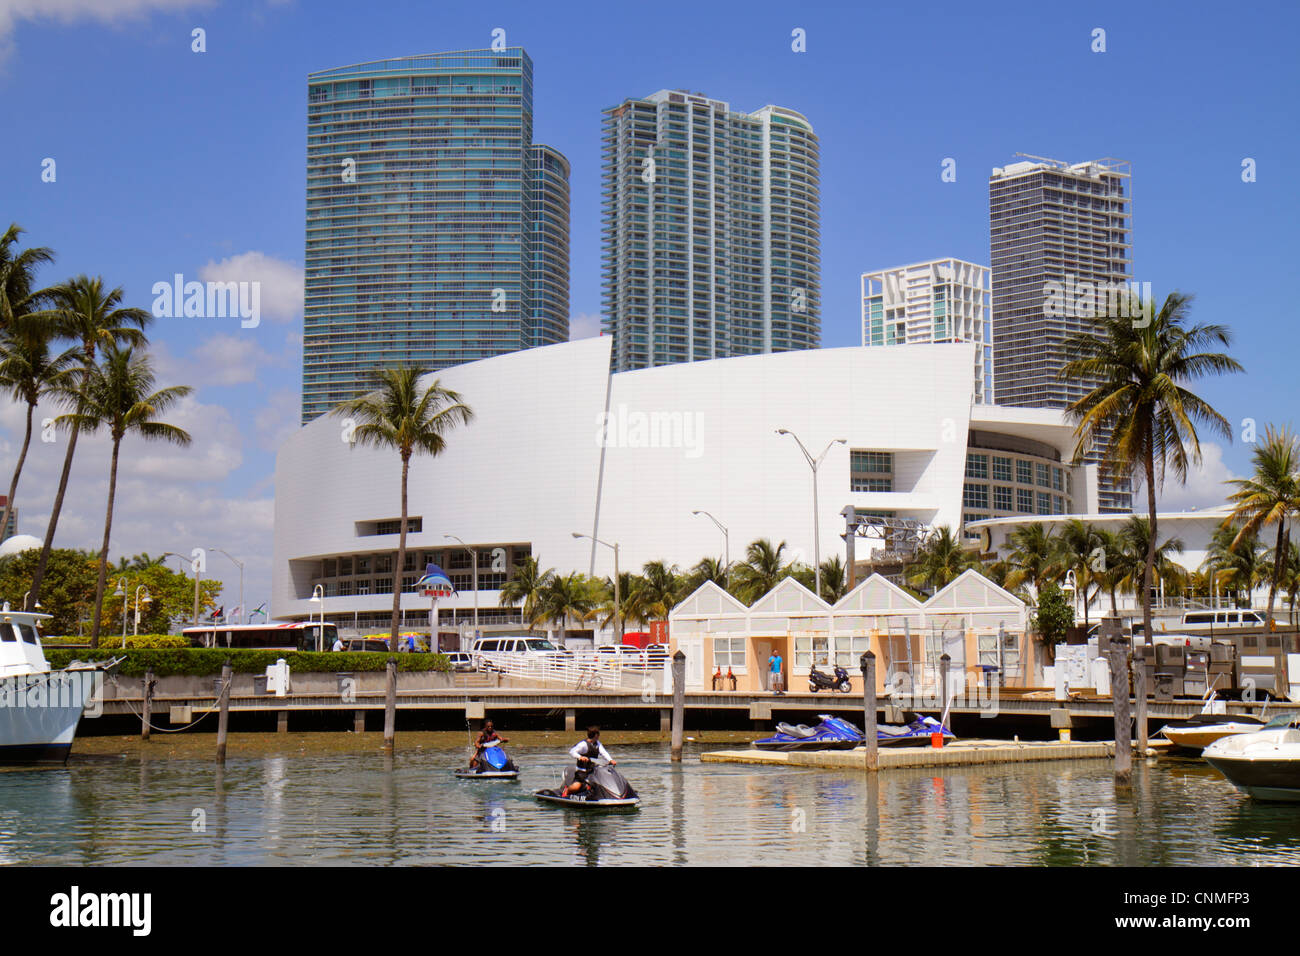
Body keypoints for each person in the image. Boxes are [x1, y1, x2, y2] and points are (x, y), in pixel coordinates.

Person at [559, 727, 615, 799]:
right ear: (596, 735)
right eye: (598, 734)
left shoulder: (597, 744)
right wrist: (580, 757)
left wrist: (610, 760)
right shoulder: (583, 744)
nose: (599, 736)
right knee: (577, 786)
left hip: (592, 770)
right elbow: (572, 751)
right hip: (582, 771)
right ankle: (566, 791)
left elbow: (603, 753)